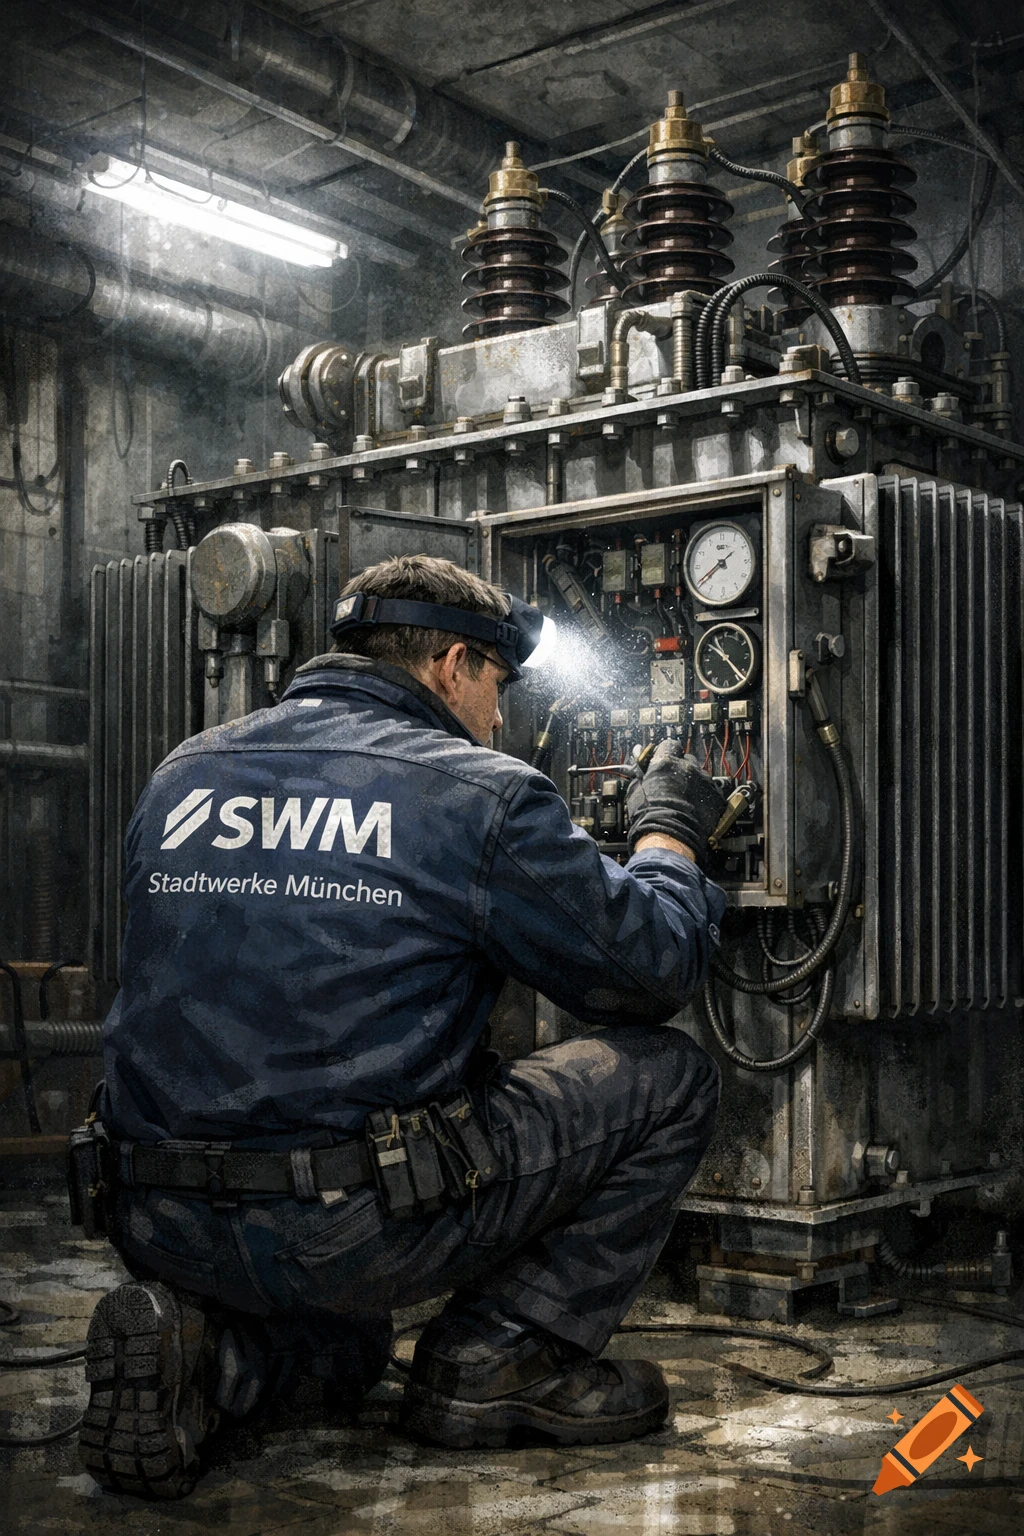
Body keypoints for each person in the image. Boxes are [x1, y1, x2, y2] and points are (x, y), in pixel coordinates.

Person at [81, 554, 726, 1499]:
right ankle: (500, 1359)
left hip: (154, 1217)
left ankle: (209, 1360)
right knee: (669, 1077)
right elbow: (649, 969)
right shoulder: (479, 793)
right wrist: (667, 839)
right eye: (497, 689)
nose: (500, 719)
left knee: (349, 1351)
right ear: (453, 664)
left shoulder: (186, 769)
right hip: (347, 1225)